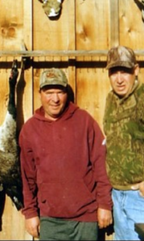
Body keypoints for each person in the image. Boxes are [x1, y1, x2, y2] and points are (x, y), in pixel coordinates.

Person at [19, 68, 113, 240]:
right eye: (49, 92)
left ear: (66, 94)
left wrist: (105, 204)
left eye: (60, 92)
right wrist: (30, 213)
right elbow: (27, 177)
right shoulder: (30, 129)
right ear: (40, 93)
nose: (55, 99)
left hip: (86, 217)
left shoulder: (84, 121)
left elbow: (101, 165)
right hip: (50, 220)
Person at [103, 45, 144, 240]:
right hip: (117, 194)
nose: (119, 79)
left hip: (140, 197)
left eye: (125, 71)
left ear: (135, 70)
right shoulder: (110, 99)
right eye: (114, 72)